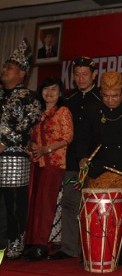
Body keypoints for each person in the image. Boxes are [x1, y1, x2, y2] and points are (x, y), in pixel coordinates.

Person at [76, 71, 122, 264]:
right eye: (106, 96)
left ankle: (117, 253)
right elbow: (81, 139)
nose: (110, 100)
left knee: (121, 215)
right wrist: (82, 157)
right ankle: (91, 252)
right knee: (95, 213)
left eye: (114, 96)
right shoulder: (91, 110)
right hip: (98, 169)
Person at [48, 56, 102, 260]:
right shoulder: (69, 100)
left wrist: (89, 157)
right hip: (72, 164)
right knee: (70, 203)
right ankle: (70, 248)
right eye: (77, 74)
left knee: (93, 207)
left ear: (94, 75)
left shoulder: (101, 99)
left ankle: (92, 248)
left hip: (95, 164)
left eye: (84, 74)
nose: (80, 78)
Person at [0, 39, 42, 259]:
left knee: (14, 202)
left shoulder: (29, 97)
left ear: (22, 73)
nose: (4, 70)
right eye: (5, 66)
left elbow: (27, 125)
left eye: (10, 68)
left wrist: (4, 143)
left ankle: (15, 242)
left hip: (13, 158)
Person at [24, 77, 73, 261]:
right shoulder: (37, 112)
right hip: (37, 163)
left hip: (54, 163)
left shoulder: (63, 111)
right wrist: (32, 147)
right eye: (46, 88)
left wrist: (46, 149)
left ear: (60, 93)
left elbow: (68, 137)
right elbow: (30, 135)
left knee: (46, 204)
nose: (49, 93)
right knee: (34, 202)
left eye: (54, 89)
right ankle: (30, 242)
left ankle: (41, 245)